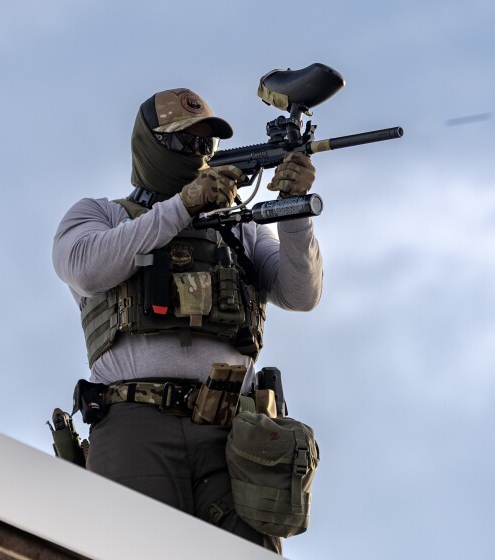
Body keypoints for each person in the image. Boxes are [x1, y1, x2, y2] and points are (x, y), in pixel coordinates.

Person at [52, 87, 323, 553]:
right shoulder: (104, 215)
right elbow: (84, 267)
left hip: (233, 432)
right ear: (150, 146)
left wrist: (297, 211)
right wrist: (182, 206)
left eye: (207, 145)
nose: (199, 155)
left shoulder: (236, 228)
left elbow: (301, 294)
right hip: (137, 422)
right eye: (184, 142)